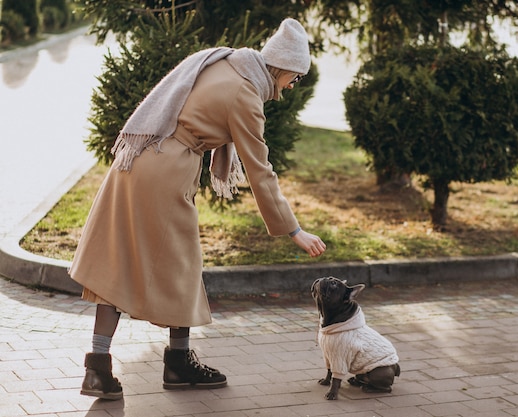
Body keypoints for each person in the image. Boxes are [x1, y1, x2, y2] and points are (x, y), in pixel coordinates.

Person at [69, 18, 327, 401]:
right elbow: (260, 170)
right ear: (286, 67)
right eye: (296, 79)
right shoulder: (247, 96)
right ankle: (178, 363)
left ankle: (98, 368)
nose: (291, 87)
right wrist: (294, 231)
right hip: (167, 171)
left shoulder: (225, 61)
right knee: (184, 265)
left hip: (139, 159)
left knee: (117, 258)